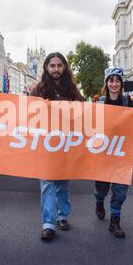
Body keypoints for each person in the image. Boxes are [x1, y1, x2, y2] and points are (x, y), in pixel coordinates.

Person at [30, 52, 84, 241]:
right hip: (45, 145)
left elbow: (84, 110)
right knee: (47, 184)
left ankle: (62, 216)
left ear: (64, 67)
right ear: (46, 67)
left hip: (66, 144)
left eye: (59, 65)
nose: (55, 69)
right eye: (52, 66)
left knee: (63, 184)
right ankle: (48, 224)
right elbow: (27, 115)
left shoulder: (72, 89)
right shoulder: (38, 89)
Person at [94, 68, 133, 239]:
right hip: (103, 153)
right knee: (102, 187)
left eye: (117, 80)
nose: (114, 84)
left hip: (122, 154)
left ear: (121, 83)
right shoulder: (99, 102)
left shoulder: (130, 102)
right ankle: (99, 201)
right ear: (106, 83)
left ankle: (115, 221)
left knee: (120, 190)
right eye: (111, 80)